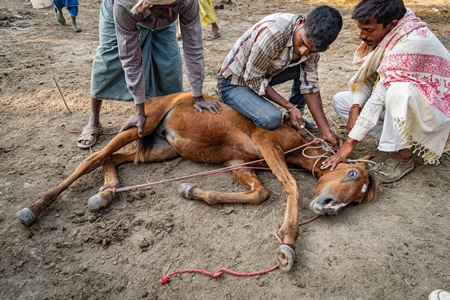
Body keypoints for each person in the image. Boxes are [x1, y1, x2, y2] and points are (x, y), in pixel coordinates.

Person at [322, 0, 450, 183]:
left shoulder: (414, 40)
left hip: (434, 116)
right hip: (412, 110)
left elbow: (379, 97)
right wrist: (355, 107)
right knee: (342, 101)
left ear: (392, 25)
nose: (361, 36)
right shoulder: (391, 34)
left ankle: (403, 157)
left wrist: (349, 144)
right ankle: (406, 142)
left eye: (369, 30)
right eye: (361, 29)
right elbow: (371, 79)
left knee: (398, 91)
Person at [77, 0, 221, 149]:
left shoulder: (186, 2)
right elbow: (130, 59)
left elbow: (193, 47)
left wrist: (198, 96)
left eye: (172, 7)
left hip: (158, 22)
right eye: (161, 9)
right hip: (123, 15)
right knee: (108, 62)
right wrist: (140, 111)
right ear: (145, 5)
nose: (170, 15)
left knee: (169, 63)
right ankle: (94, 121)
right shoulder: (124, 6)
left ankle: (166, 122)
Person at [217, 5, 343, 148]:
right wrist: (288, 106)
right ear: (301, 22)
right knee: (272, 119)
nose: (303, 52)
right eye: (302, 42)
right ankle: (236, 101)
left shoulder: (311, 45)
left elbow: (310, 84)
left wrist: (326, 132)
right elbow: (253, 78)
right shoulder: (274, 33)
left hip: (264, 76)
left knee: (303, 70)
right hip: (234, 83)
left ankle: (295, 118)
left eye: (311, 50)